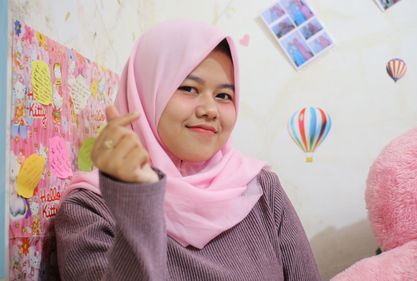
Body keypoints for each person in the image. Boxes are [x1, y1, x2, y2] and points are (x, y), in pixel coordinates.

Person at [54, 19, 321, 281]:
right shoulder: (90, 207)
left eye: (224, 95)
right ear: (145, 93)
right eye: (189, 88)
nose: (210, 110)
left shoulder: (260, 188)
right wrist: (137, 203)